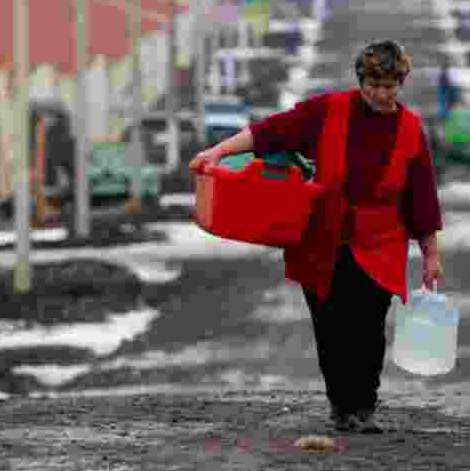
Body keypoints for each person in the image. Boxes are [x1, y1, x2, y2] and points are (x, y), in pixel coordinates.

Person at [189, 39, 444, 434]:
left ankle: (364, 406)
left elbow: (422, 196)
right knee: (330, 327)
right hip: (323, 240)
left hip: (381, 244)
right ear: (361, 81)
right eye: (373, 85)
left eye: (389, 86)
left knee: (368, 329)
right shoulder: (329, 111)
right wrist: (219, 152)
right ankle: (341, 407)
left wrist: (430, 255)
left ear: (401, 83)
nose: (380, 94)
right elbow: (273, 131)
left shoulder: (410, 130)